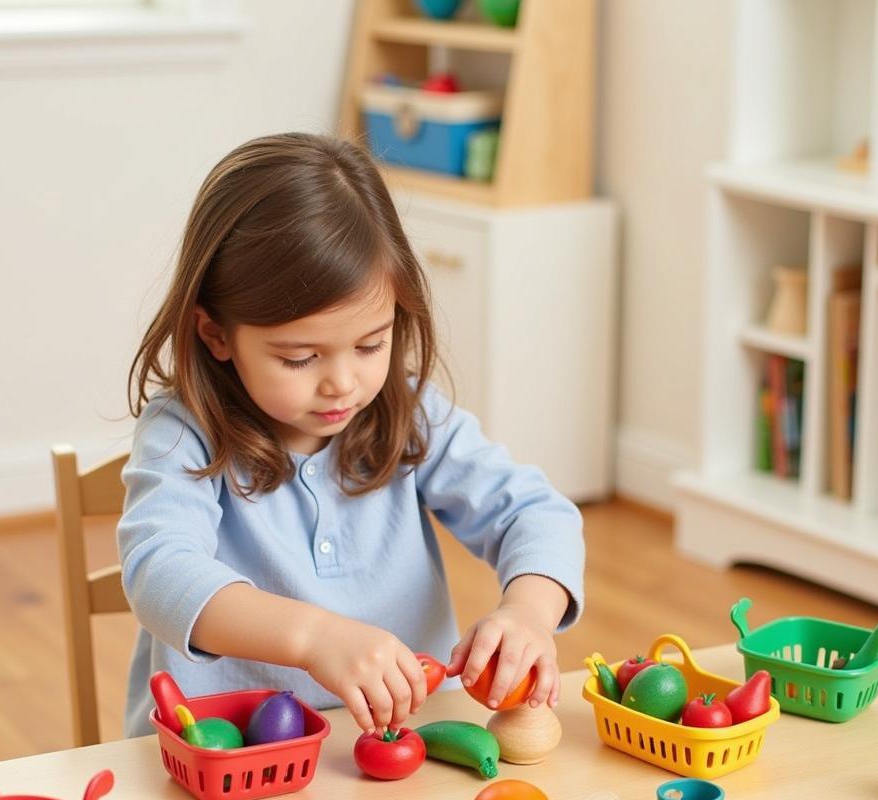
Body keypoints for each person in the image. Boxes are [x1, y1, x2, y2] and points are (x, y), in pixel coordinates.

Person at [118, 133, 585, 738]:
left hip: (403, 742)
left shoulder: (408, 410)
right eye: (299, 358)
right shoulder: (185, 434)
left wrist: (528, 612)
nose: (343, 383)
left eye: (370, 345)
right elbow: (160, 571)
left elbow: (535, 512)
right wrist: (315, 638)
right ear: (216, 335)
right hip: (232, 765)